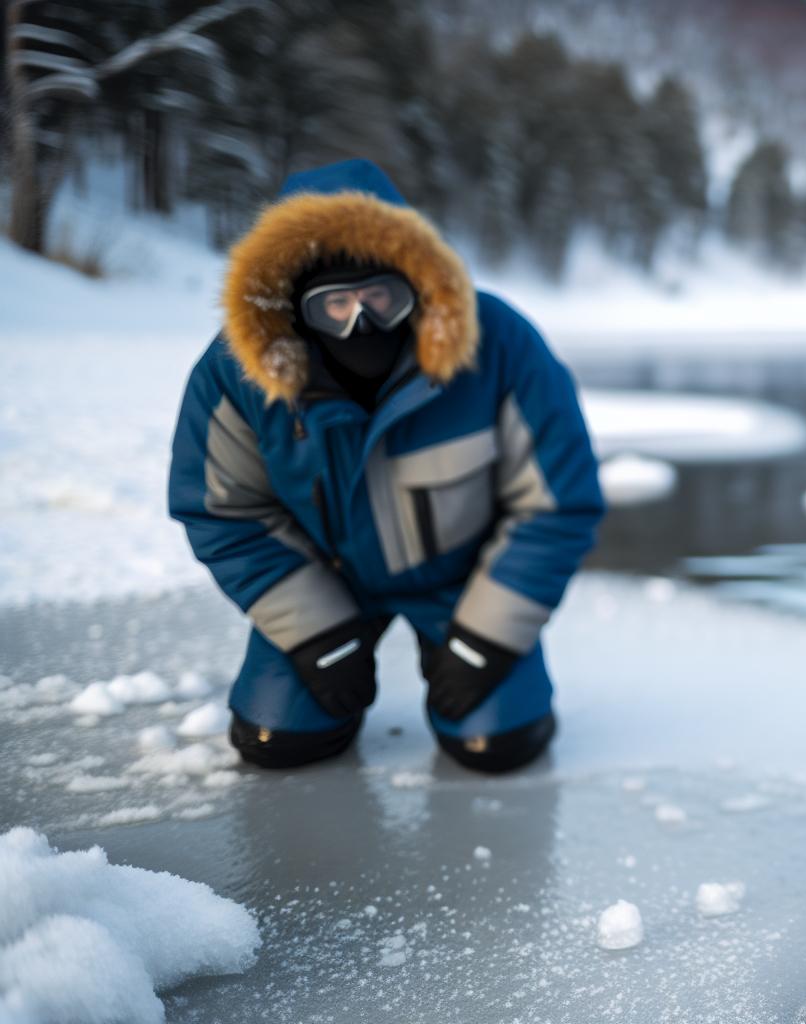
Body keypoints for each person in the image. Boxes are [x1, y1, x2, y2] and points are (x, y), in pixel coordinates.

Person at [169, 159, 604, 773]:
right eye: (334, 306)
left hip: (461, 583)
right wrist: (316, 633)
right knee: (278, 742)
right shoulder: (237, 370)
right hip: (325, 580)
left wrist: (488, 637)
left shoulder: (499, 342)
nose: (361, 322)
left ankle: (479, 663)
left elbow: (557, 501)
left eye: (380, 297)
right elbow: (221, 510)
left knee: (497, 746)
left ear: (417, 283)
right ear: (295, 308)